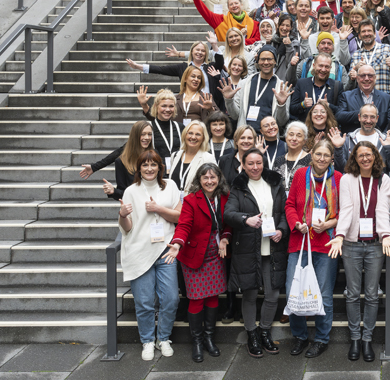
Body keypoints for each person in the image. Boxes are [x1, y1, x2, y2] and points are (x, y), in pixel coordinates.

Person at [327, 142, 390, 362]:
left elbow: (383, 210)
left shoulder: (384, 180)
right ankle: (355, 338)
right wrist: (339, 235)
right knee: (353, 293)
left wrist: (385, 234)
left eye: (369, 155)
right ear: (354, 158)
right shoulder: (347, 180)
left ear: (375, 156)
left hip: (376, 244)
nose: (365, 159)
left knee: (373, 294)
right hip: (351, 244)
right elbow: (346, 209)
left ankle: (367, 339)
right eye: (361, 155)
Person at [223, 148, 289, 358]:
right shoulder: (238, 187)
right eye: (250, 163)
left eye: (258, 162)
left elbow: (286, 212)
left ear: (264, 163)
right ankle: (251, 334)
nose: (255, 167)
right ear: (242, 165)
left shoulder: (276, 183)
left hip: (273, 248)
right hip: (249, 250)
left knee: (272, 295)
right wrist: (246, 219)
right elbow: (228, 214)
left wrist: (281, 230)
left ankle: (265, 331)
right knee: (250, 294)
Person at [163, 163, 233, 363]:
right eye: (205, 178)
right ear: (199, 181)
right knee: (196, 299)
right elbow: (184, 224)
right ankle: (197, 341)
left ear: (218, 178)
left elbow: (228, 225)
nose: (209, 181)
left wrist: (226, 238)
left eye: (213, 177)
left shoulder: (225, 198)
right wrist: (177, 243)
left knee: (212, 296)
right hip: (194, 254)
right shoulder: (191, 200)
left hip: (216, 253)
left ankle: (210, 338)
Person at [118, 150, 181, 361]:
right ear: (139, 168)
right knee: (144, 302)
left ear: (160, 167)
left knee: (171, 298)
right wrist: (123, 215)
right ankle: (147, 340)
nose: (149, 168)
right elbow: (126, 228)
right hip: (139, 251)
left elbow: (180, 215)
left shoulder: (170, 186)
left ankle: (163, 338)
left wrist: (158, 208)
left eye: (153, 164)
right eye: (145, 165)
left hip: (165, 250)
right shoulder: (130, 191)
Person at [284, 139, 341, 358]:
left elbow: (344, 212)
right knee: (294, 290)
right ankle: (299, 336)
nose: (321, 159)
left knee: (324, 294)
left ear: (331, 158)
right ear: (312, 155)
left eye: (326, 155)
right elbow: (289, 205)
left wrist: (328, 223)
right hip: (300, 242)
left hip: (326, 243)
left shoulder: (338, 179)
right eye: (318, 154)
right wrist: (296, 223)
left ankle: (321, 338)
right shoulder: (300, 175)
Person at [221, 45, 292, 131]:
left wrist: (281, 105)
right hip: (246, 138)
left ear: (275, 62)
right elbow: (235, 116)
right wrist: (229, 100)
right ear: (258, 61)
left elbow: (281, 122)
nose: (266, 62)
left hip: (269, 137)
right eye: (262, 59)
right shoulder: (244, 84)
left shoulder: (282, 88)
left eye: (269, 59)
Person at [84, 120, 152, 202]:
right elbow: (122, 193)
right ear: (135, 136)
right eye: (143, 134)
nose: (147, 138)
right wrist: (113, 191)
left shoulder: (156, 155)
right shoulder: (122, 162)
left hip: (157, 207)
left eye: (149, 134)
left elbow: (162, 183)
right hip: (134, 208)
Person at [336, 64, 390, 134]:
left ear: (375, 78)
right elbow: (339, 116)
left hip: (378, 141)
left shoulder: (387, 99)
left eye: (370, 76)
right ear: (357, 79)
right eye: (362, 76)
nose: (366, 79)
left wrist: (382, 138)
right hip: (353, 141)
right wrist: (362, 112)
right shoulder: (346, 96)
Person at [348, 21, 390, 99]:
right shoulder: (356, 54)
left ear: (375, 34)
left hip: (384, 99)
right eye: (363, 31)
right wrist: (355, 70)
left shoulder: (387, 48)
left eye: (369, 31)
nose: (366, 34)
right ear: (359, 36)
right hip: (363, 102)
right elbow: (351, 78)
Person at [289, 53, 345, 122]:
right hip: (305, 129)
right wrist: (303, 105)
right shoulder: (301, 83)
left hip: (327, 129)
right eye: (320, 66)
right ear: (314, 66)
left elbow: (342, 112)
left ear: (330, 68)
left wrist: (329, 106)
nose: (323, 69)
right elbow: (292, 109)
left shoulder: (337, 86)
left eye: (327, 67)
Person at [166, 121, 217, 193]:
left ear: (203, 138)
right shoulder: (175, 156)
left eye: (198, 134)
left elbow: (213, 184)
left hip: (195, 202)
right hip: (174, 202)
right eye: (190, 133)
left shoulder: (208, 158)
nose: (193, 137)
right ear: (185, 135)